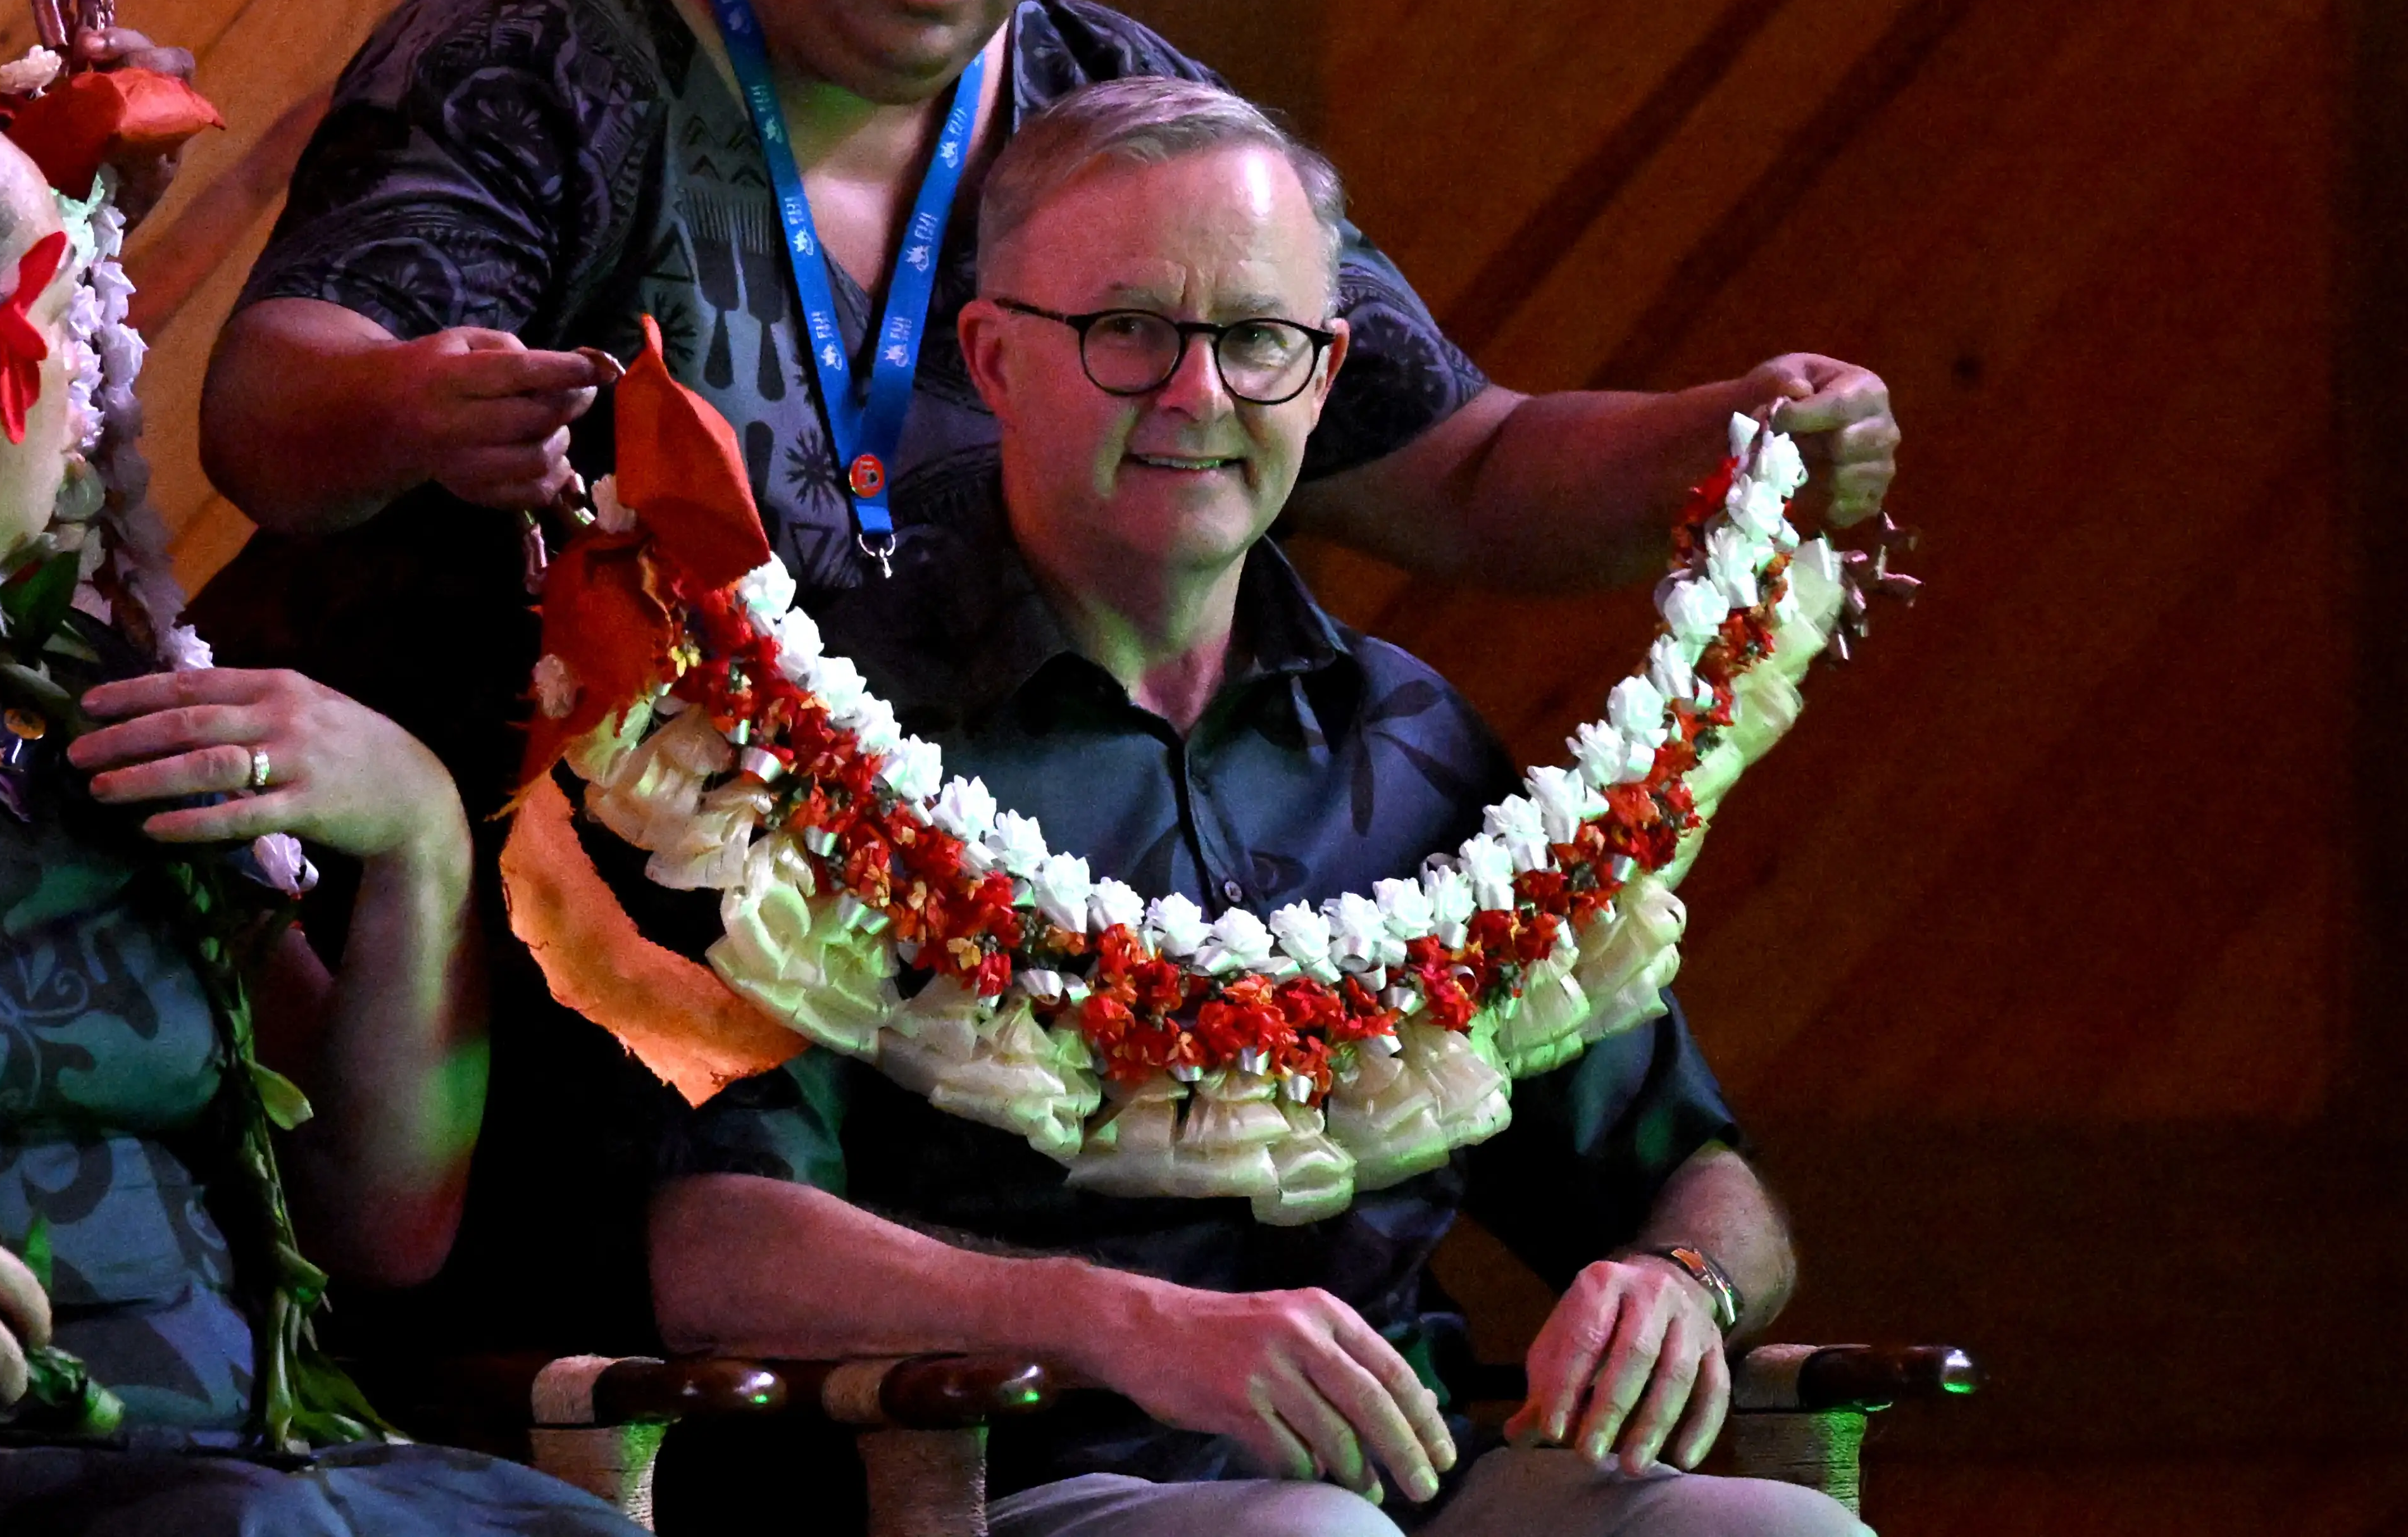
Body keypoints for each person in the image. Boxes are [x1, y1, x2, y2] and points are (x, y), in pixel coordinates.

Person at [181, 0, 1895, 1402]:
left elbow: (1468, 464)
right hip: (550, 988)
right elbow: (266, 409)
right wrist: (424, 396)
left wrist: (1736, 433)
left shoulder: (1116, 108)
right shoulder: (538, 55)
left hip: (1003, 853)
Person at [649, 77, 1862, 1537]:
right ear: (992, 357)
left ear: (1326, 367)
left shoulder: (1412, 746)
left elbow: (1692, 1170)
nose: (1199, 394)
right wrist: (1118, 1323)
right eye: (1131, 332)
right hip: (990, 1487)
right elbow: (711, 1239)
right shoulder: (801, 735)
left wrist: (1679, 1281)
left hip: (1419, 1492)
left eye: (1258, 342)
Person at [0, 60, 642, 1535]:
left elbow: (379, 1224)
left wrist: (421, 833)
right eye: (66, 322)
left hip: (252, 1479)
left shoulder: (89, 701)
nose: (92, 379)